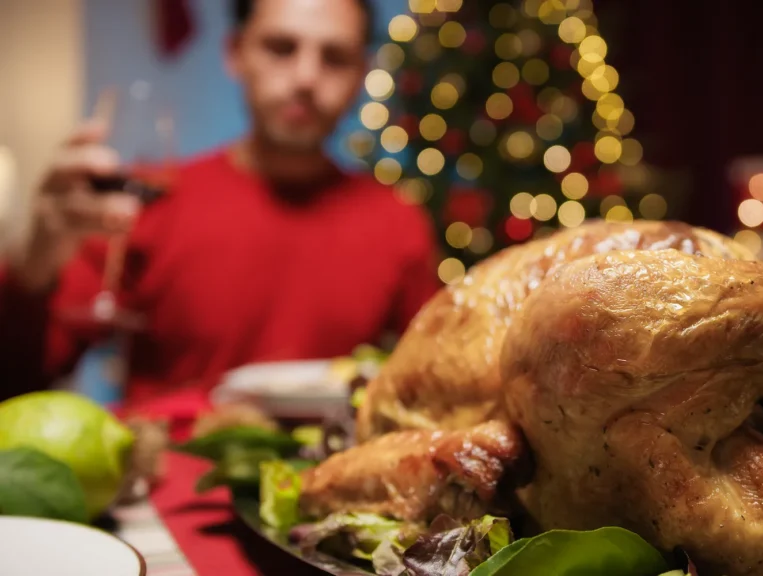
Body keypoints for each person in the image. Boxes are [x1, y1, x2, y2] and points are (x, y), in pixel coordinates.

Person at [0, 0, 441, 411]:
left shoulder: (397, 223)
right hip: (160, 481)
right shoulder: (153, 203)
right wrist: (32, 268)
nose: (307, 77)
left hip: (328, 478)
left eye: (335, 57)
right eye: (280, 48)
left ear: (362, 74)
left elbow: (431, 384)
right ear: (235, 54)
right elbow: (21, 377)